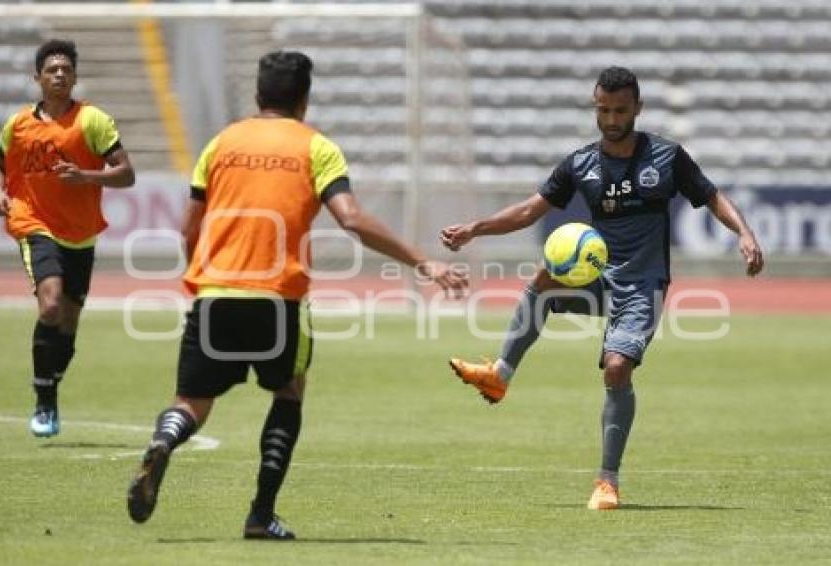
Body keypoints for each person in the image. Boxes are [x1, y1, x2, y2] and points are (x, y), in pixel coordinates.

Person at [126, 51, 467, 539]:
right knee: (288, 391)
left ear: (258, 95)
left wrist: (202, 277)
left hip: (215, 290)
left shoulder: (221, 143)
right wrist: (424, 262)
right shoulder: (316, 147)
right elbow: (351, 218)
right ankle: (261, 515)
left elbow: (189, 228)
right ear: (304, 98)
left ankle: (164, 440)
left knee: (191, 402)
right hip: (278, 297)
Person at [440, 66, 763, 510]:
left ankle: (607, 481)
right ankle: (500, 375)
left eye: (621, 111)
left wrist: (743, 233)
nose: (611, 119)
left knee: (616, 369)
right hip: (599, 275)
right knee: (545, 275)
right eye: (604, 110)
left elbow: (711, 196)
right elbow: (529, 210)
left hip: (642, 285)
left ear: (638, 109)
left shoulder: (667, 157)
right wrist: (476, 228)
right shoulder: (582, 163)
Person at [0, 39, 135, 438]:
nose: (59, 75)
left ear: (74, 76)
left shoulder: (93, 121)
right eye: (51, 69)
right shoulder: (17, 124)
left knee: (68, 324)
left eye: (66, 69)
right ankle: (44, 400)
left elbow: (126, 173)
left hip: (81, 234)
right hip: (33, 222)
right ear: (37, 77)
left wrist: (87, 176)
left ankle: (50, 388)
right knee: (50, 306)